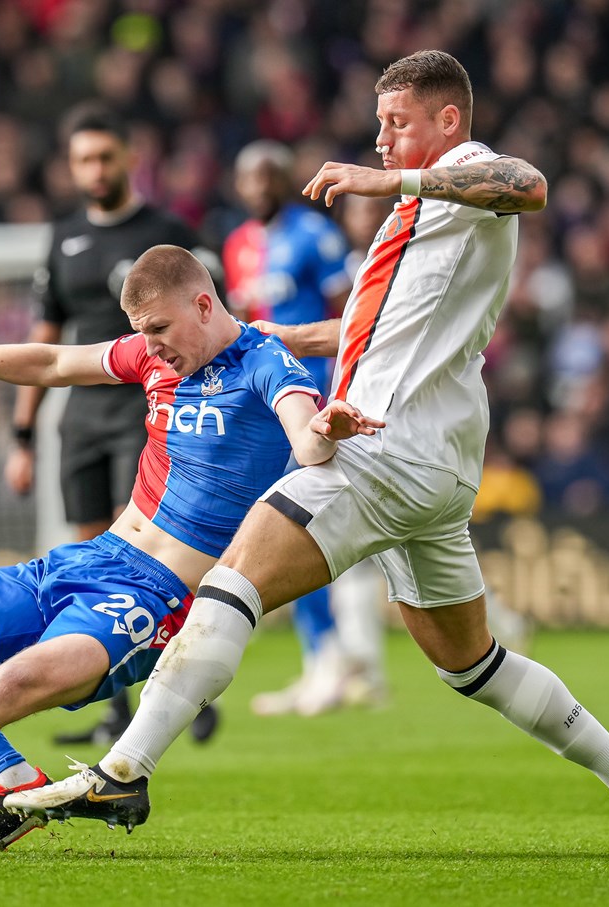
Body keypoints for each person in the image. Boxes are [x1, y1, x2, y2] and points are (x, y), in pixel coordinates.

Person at [6, 50, 609, 854]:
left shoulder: (466, 174)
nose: (380, 141)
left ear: (446, 121)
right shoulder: (419, 219)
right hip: (433, 464)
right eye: (377, 126)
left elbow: (530, 186)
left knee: (232, 581)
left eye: (396, 124)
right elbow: (378, 326)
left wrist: (391, 182)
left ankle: (124, 768)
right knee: (470, 662)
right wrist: (274, 335)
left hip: (383, 446)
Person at [0, 245, 383, 853]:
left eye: (161, 328)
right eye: (142, 333)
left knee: (6, 689)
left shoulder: (265, 361)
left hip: (155, 598)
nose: (153, 344)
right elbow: (53, 362)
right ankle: (11, 782)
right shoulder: (153, 357)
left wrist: (326, 430)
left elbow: (305, 438)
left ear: (203, 305)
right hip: (90, 559)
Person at [9, 102, 224, 747]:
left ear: (131, 157)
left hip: (149, 410)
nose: (94, 169)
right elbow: (45, 338)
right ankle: (118, 708)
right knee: (93, 557)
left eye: (105, 156)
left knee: (151, 562)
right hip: (81, 418)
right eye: (83, 159)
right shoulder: (63, 233)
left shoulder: (165, 233)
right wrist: (23, 436)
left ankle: (183, 683)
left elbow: (208, 322)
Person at [223, 139, 377, 716]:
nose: (259, 186)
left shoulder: (316, 235)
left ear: (284, 180)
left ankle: (337, 662)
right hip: (262, 404)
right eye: (250, 178)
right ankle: (327, 663)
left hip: (314, 401)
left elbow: (350, 319)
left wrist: (344, 390)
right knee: (290, 527)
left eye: (269, 176)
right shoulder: (238, 244)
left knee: (303, 528)